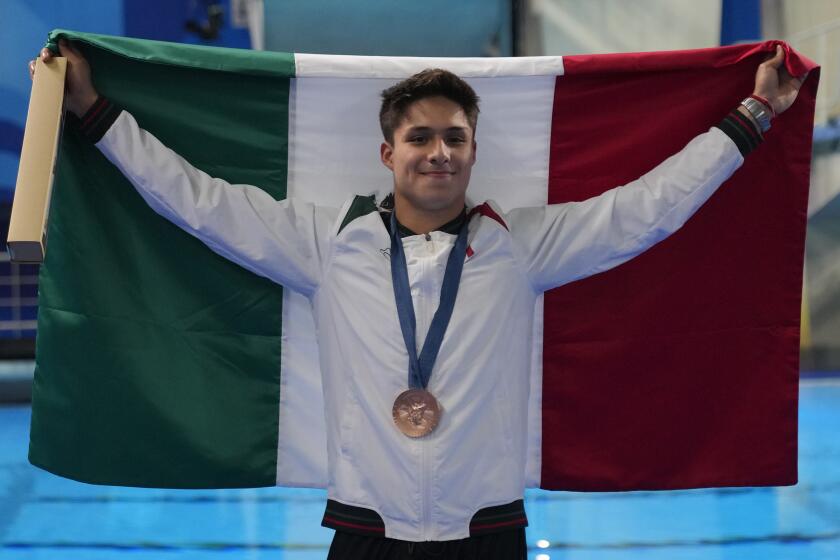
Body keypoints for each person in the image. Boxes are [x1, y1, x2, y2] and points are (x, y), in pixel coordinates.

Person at [31, 39, 805, 560]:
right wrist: (96, 114)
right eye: (421, 137)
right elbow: (194, 200)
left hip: (491, 529)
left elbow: (647, 208)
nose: (439, 152)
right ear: (388, 152)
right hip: (365, 530)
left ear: (474, 148)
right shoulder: (325, 243)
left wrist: (755, 112)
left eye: (456, 137)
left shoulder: (521, 246)